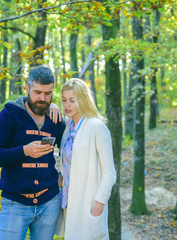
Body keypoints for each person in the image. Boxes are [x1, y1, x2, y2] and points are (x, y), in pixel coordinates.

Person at [0, 65, 65, 240]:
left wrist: (63, 175)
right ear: (27, 88)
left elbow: (71, 150)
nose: (42, 98)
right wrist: (25, 151)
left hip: (49, 202)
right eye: (37, 92)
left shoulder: (56, 119)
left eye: (48, 93)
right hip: (15, 204)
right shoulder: (9, 115)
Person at [55, 78, 116, 240]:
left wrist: (99, 205)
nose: (67, 105)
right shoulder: (68, 128)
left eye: (72, 101)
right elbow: (66, 161)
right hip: (68, 203)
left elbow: (110, 173)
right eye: (64, 100)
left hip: (89, 205)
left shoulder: (97, 127)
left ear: (82, 100)